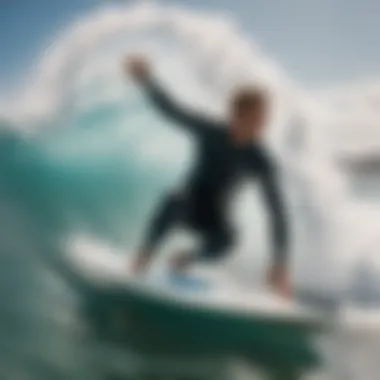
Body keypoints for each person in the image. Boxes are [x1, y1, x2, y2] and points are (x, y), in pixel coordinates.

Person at [124, 55, 291, 298]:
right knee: (176, 196)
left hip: (214, 217)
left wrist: (279, 262)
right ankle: (145, 253)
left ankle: (185, 260)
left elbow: (276, 211)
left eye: (264, 117)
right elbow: (173, 111)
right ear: (237, 114)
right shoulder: (211, 131)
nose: (263, 123)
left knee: (230, 239)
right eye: (257, 117)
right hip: (188, 203)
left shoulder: (260, 159)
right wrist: (147, 80)